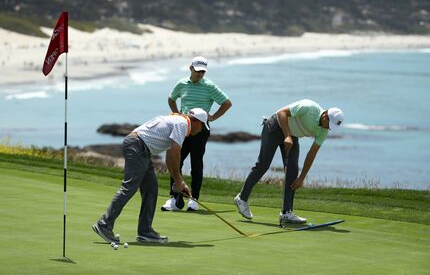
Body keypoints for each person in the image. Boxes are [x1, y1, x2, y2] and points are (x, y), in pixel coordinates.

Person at [92, 108, 209, 244]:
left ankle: (145, 231)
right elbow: (175, 153)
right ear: (196, 121)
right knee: (129, 187)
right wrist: (177, 180)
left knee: (151, 189)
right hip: (138, 146)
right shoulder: (183, 124)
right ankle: (104, 224)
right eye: (202, 125)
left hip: (141, 148)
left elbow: (169, 158)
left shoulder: (178, 120)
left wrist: (179, 182)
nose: (201, 129)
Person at [233, 99, 344, 225]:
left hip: (292, 135)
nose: (328, 128)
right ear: (325, 115)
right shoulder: (309, 107)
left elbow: (312, 153)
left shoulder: (323, 131)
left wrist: (301, 178)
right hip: (275, 126)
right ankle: (242, 199)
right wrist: (287, 135)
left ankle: (287, 213)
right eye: (328, 124)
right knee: (263, 165)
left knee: (292, 171)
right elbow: (281, 113)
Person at [161, 56, 232, 212]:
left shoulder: (209, 86)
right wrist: (177, 114)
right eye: (198, 70)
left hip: (200, 130)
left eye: (203, 72)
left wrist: (212, 117)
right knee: (176, 162)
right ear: (190, 68)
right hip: (182, 128)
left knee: (196, 164)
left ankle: (194, 200)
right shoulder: (182, 84)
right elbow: (171, 99)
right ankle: (173, 197)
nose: (200, 74)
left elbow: (227, 103)